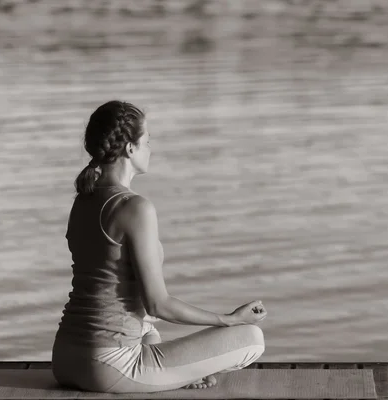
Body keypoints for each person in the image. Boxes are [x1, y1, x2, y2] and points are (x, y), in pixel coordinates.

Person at [52, 100, 267, 393]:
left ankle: (174, 373)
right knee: (252, 337)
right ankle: (171, 375)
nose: (150, 149)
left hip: (64, 358)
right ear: (130, 148)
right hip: (107, 365)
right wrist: (229, 320)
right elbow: (158, 303)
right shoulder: (135, 207)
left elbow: (142, 309)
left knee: (147, 327)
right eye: (147, 142)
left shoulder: (83, 200)